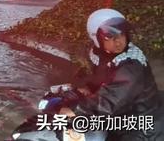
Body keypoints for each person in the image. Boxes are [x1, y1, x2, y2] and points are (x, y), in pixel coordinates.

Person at [60, 8, 163, 140]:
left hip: (139, 128)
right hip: (122, 117)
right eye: (110, 37)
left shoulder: (131, 65)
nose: (119, 41)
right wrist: (84, 89)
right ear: (95, 37)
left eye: (121, 34)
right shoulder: (101, 54)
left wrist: (75, 110)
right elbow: (97, 78)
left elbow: (110, 102)